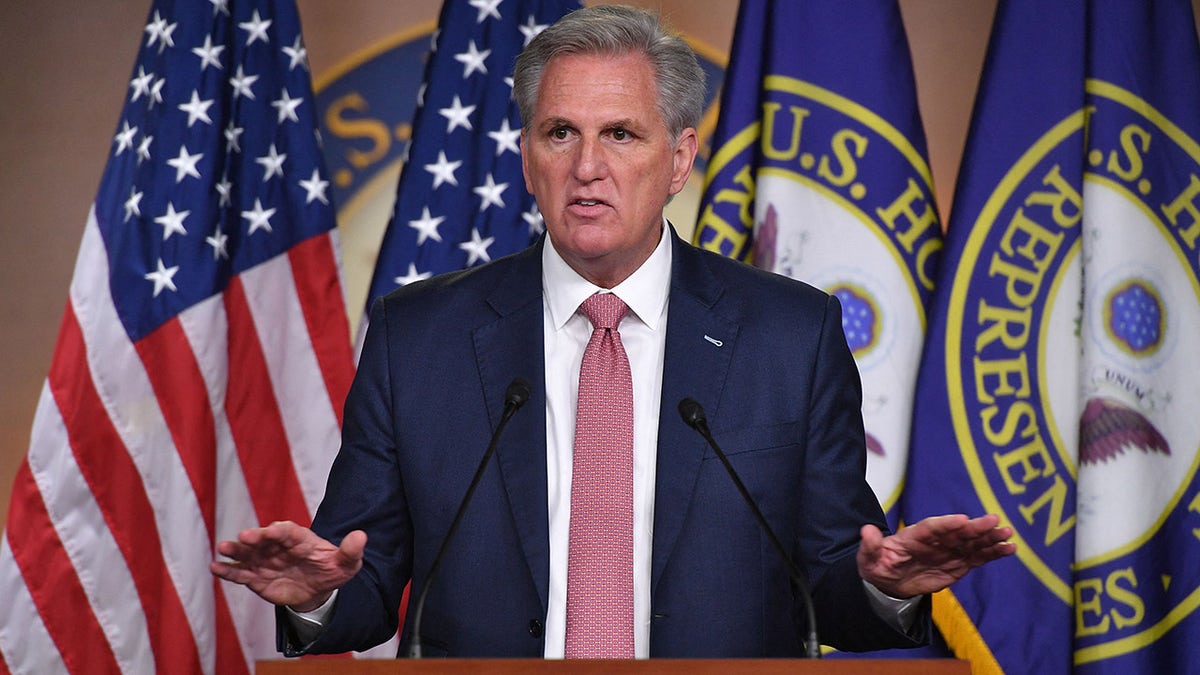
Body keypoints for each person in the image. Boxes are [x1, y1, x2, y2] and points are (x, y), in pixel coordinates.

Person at [211, 4, 1015, 659]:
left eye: (620, 134)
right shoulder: (417, 337)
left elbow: (831, 589)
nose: (587, 164)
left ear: (678, 160)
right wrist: (319, 594)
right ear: (528, 160)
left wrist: (886, 583)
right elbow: (368, 577)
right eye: (561, 133)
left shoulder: (789, 336)